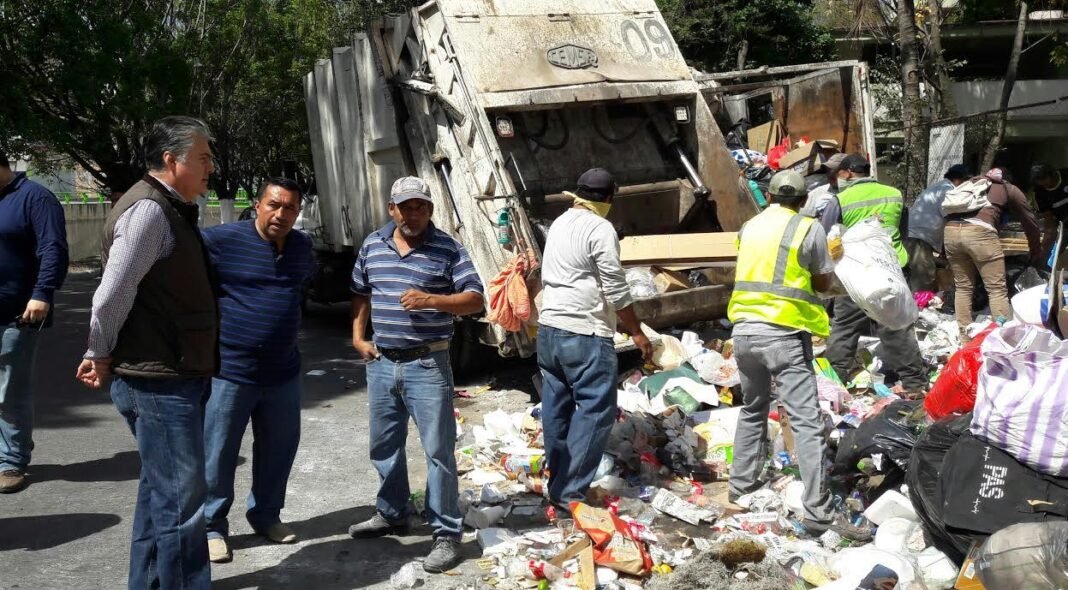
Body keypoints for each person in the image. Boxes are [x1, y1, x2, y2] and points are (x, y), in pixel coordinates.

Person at [75, 116, 217, 590]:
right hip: (159, 382)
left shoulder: (168, 207)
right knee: (181, 505)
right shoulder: (150, 212)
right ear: (171, 160)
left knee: (162, 499)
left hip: (167, 374)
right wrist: (99, 351)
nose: (210, 168)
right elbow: (110, 295)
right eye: (203, 158)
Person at [348, 176, 484, 573]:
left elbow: (474, 300)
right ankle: (392, 513)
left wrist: (433, 300)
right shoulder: (373, 244)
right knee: (384, 444)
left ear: (430, 210)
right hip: (382, 362)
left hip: (428, 362)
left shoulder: (447, 248)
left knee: (438, 451)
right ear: (392, 209)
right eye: (405, 206)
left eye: (420, 206)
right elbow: (361, 292)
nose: (413, 213)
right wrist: (358, 338)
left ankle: (445, 534)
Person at [728, 170, 871, 541]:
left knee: (752, 408)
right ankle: (819, 511)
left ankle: (740, 486)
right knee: (806, 422)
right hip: (784, 333)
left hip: (743, 330)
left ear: (771, 197)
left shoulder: (749, 227)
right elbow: (822, 282)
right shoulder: (809, 229)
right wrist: (844, 282)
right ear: (804, 199)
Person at [200, 178, 315, 563]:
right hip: (231, 371)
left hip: (283, 372)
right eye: (274, 205)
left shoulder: (302, 247)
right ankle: (212, 527)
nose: (280, 214)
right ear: (258, 204)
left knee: (279, 450)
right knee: (218, 453)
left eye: (289, 209)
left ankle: (266, 516)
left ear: (298, 213)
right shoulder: (221, 241)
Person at [536, 168, 654, 510]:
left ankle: (556, 482)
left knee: (556, 408)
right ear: (609, 198)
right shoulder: (600, 228)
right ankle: (570, 492)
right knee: (596, 411)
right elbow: (616, 285)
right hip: (583, 332)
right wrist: (635, 329)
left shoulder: (560, 221)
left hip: (550, 330)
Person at [821, 154, 927, 396]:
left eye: (838, 174)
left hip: (856, 275)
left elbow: (826, 236)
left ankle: (834, 382)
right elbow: (902, 231)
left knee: (845, 327)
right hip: (892, 269)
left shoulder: (840, 200)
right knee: (897, 326)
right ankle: (914, 384)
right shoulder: (894, 194)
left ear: (847, 173)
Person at [0, 150, 68, 494]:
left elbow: (53, 248)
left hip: (19, 312)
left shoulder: (35, 198)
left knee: (10, 387)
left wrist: (42, 293)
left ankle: (11, 460)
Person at [944, 167, 1042, 333]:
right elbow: (1029, 221)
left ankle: (964, 339)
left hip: (950, 232)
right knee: (996, 290)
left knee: (963, 288)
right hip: (980, 233)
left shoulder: (971, 183)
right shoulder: (1007, 187)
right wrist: (1036, 250)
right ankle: (1003, 338)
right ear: (1007, 179)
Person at [905, 164, 971, 292]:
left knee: (919, 272)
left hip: (917, 235)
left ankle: (919, 303)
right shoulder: (948, 191)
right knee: (923, 275)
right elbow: (950, 218)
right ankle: (921, 307)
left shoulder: (939, 187)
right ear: (959, 179)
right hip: (919, 237)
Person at [1031, 162, 1068, 260]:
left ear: (1051, 174)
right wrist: (1049, 234)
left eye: (1044, 179)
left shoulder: (1066, 175)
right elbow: (1048, 217)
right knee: (1055, 251)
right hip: (1064, 223)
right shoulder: (1039, 193)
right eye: (1039, 181)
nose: (1042, 183)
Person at [800, 152, 846, 219]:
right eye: (828, 170)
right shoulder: (818, 193)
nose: (830, 174)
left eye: (836, 170)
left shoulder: (855, 192)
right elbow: (804, 219)